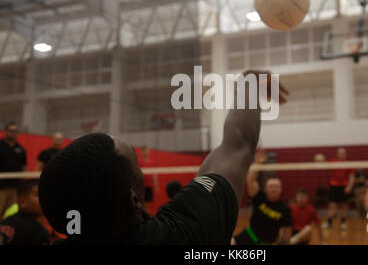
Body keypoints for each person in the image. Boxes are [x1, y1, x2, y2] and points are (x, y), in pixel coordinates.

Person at [38, 70, 289, 244]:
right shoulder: (185, 236)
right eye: (135, 160)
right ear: (135, 199)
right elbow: (239, 145)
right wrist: (249, 85)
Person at [232, 150, 292, 245]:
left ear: (281, 190)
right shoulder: (259, 197)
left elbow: (287, 232)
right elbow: (250, 180)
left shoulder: (285, 209)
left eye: (276, 186)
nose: (274, 189)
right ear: (266, 188)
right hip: (250, 236)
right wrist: (257, 164)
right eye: (271, 186)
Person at [0, 180, 50, 245]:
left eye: (45, 194)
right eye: (38, 195)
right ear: (23, 202)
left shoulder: (6, 222)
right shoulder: (36, 230)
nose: (44, 198)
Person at [322, 148, 355, 230]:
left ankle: (343, 223)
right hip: (334, 186)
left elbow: (352, 177)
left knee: (344, 206)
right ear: (337, 154)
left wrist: (349, 187)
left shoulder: (348, 164)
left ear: (345, 154)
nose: (342, 155)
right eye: (340, 153)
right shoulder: (333, 162)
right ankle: (329, 223)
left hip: (344, 187)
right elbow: (323, 165)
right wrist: (320, 161)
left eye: (343, 153)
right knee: (332, 206)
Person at [0, 122, 27, 218]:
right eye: (11, 131)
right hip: (1, 188)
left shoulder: (21, 149)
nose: (13, 133)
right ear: (5, 131)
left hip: (15, 189)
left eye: (15, 131)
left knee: (11, 215)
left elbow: (24, 167)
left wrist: (23, 182)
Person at [138, 146, 159, 210]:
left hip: (149, 187)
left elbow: (154, 175)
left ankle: (146, 218)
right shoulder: (139, 161)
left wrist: (156, 185)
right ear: (141, 152)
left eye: (147, 151)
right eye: (143, 151)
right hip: (141, 187)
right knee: (141, 204)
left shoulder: (151, 162)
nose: (145, 152)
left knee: (148, 204)